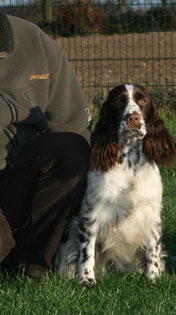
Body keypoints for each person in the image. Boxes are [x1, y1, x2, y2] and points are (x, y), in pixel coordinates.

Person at [0, 10, 91, 277]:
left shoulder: (33, 41)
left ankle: (34, 265)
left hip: (15, 171)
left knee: (72, 150)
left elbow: (74, 125)